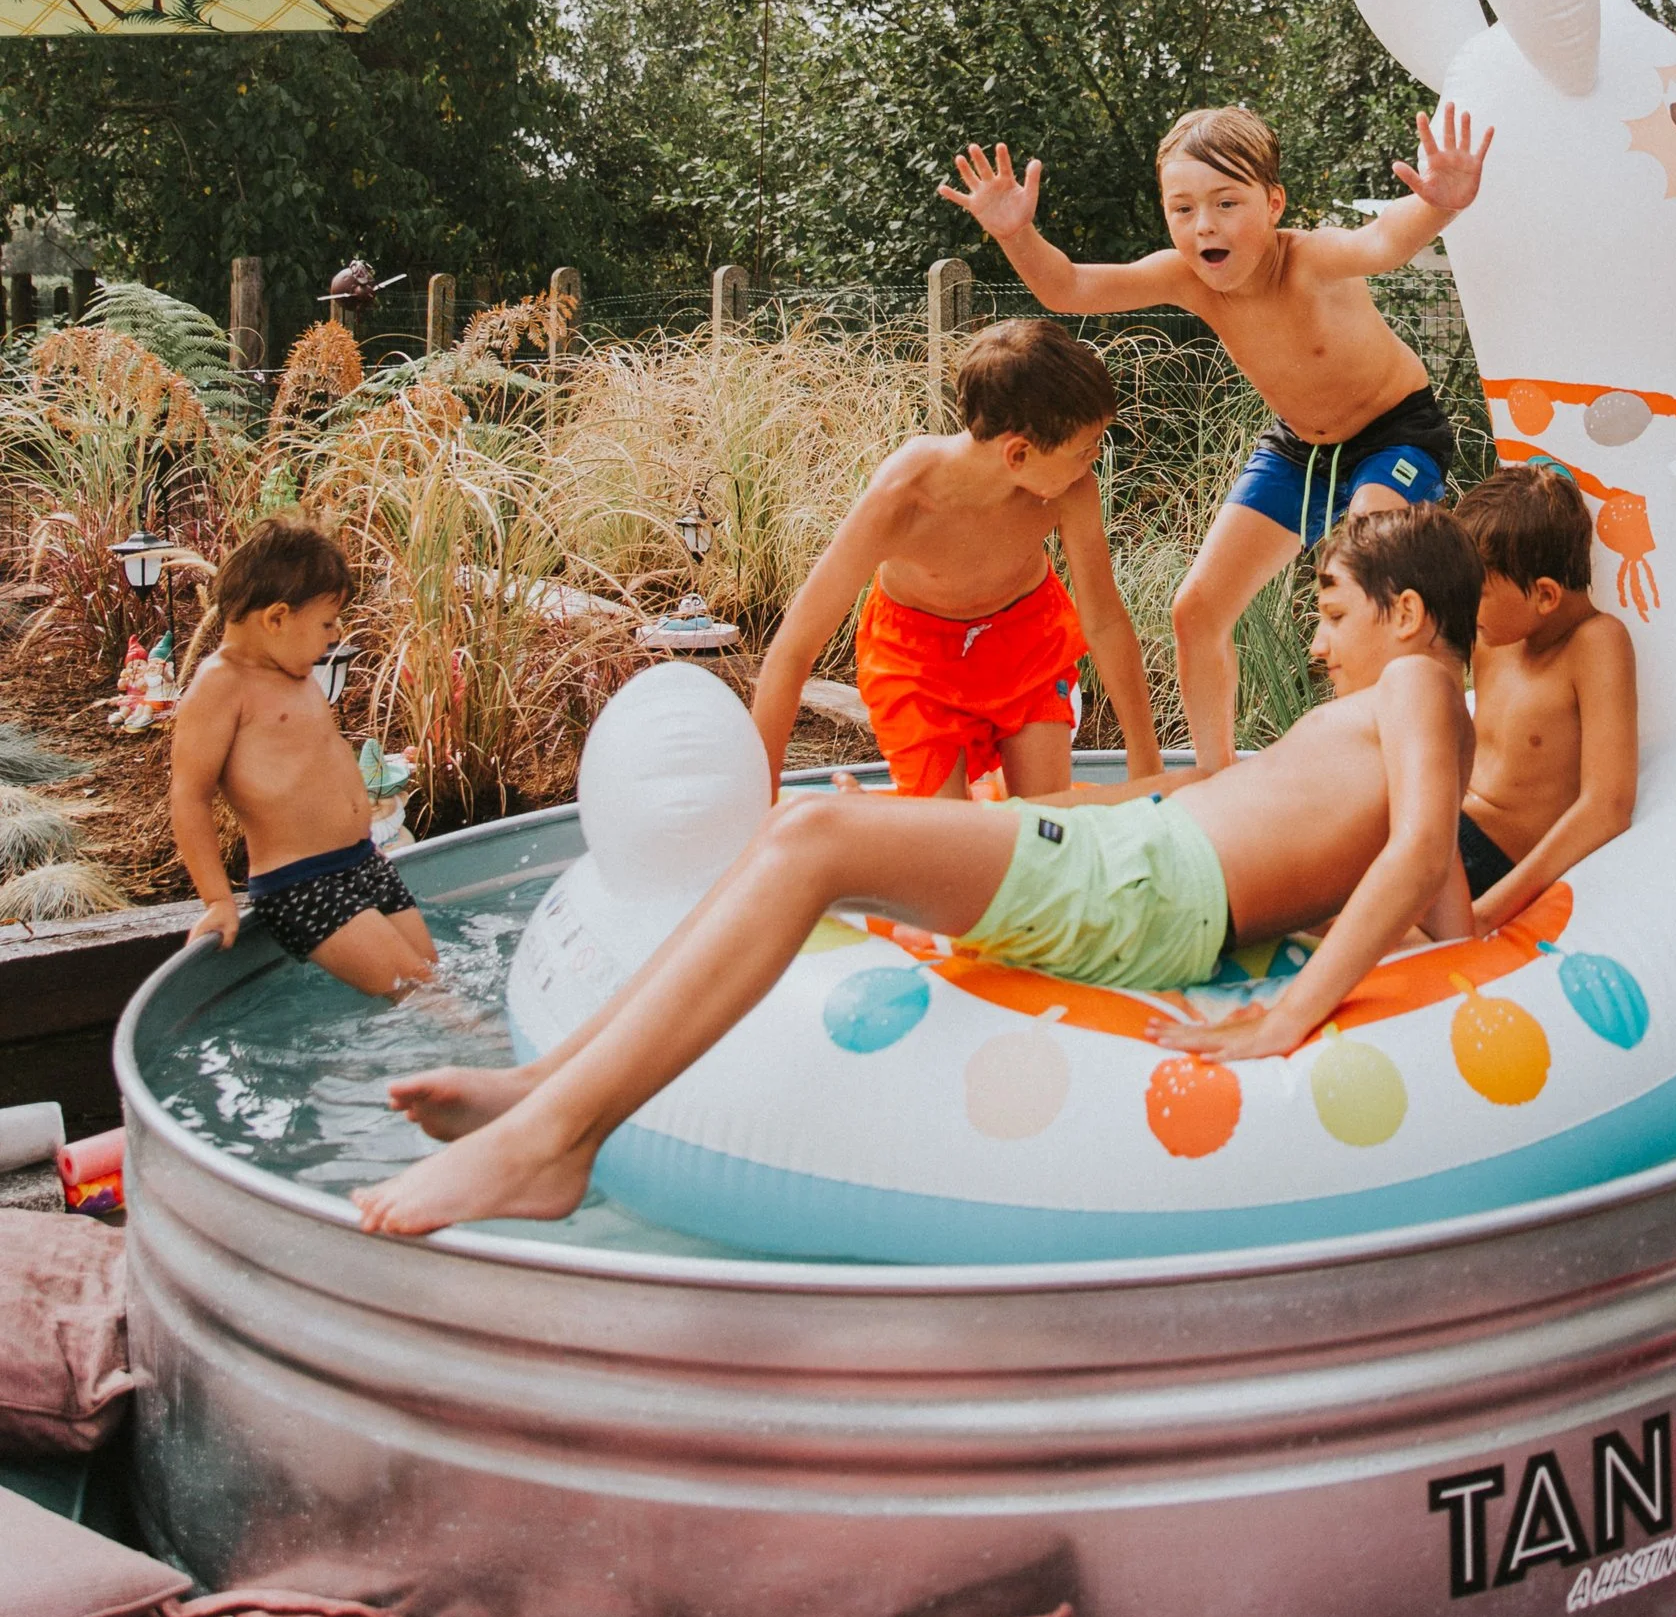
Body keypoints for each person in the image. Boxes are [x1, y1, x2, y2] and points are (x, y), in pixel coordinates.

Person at [357, 505, 1481, 1238]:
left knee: (813, 841)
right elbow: (1443, 911)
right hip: (1132, 862)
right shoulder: (1385, 715)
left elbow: (1422, 849)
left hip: (1148, 888)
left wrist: (1292, 1013)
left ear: (1412, 615)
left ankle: (557, 1139)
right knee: (812, 831)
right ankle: (544, 1097)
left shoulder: (1419, 689)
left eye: (1332, 615)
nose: (1321, 644)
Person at [941, 102, 1491, 770]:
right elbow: (1068, 287)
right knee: (1195, 610)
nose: (1204, 225)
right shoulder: (1190, 279)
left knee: (1371, 584)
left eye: (1227, 203)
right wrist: (1015, 234)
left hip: (1394, 436)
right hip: (1298, 449)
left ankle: (1387, 764)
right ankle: (1214, 776)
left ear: (1274, 202)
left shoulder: (1311, 259)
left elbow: (1382, 240)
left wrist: (1438, 205)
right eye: (1183, 209)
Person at [746, 315, 1163, 802]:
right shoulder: (903, 499)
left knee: (1046, 827)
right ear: (1019, 455)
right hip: (918, 660)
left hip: (1027, 642)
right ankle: (879, 814)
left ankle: (990, 795)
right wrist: (762, 800)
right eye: (1084, 448)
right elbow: (793, 650)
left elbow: (1105, 620)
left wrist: (1146, 760)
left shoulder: (1068, 489)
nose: (1094, 457)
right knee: (951, 844)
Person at [169, 517, 436, 996]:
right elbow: (190, 797)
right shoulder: (221, 686)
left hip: (362, 861)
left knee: (438, 982)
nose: (335, 636)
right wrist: (217, 899)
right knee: (421, 993)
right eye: (327, 622)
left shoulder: (294, 672)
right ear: (276, 618)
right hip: (303, 884)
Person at [1450, 465, 1640, 930]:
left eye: (1476, 591)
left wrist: (1488, 912)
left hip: (1488, 863)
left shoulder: (1595, 644)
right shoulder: (1494, 635)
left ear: (1546, 595)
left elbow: (1607, 807)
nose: (1462, 604)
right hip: (1441, 828)